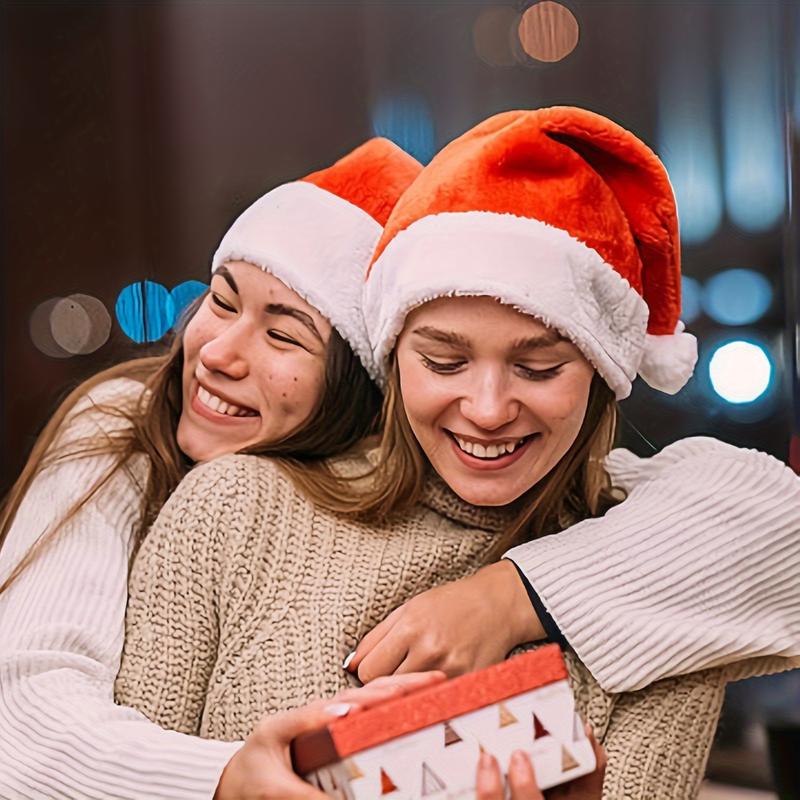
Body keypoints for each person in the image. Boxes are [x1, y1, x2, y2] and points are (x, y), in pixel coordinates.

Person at [114, 107, 798, 799]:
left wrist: (511, 598)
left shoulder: (664, 598)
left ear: (602, 375)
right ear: (391, 359)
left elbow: (769, 509)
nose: (488, 408)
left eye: (539, 368)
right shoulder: (234, 511)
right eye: (444, 361)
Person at [0, 138, 424, 798]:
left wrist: (508, 597)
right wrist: (222, 780)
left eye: (282, 334)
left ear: (360, 391)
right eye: (222, 303)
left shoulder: (392, 489)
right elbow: (20, 707)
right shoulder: (124, 427)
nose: (218, 352)